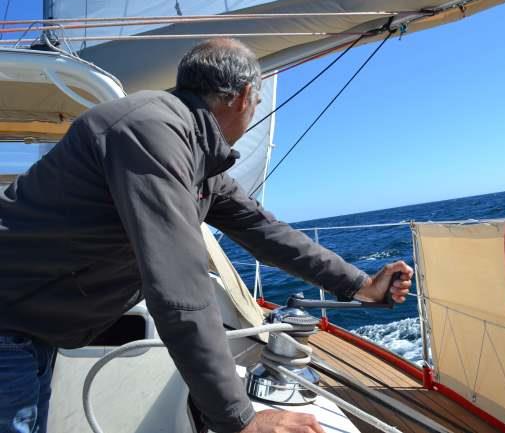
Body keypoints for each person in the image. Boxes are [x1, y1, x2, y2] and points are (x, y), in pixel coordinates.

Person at [0, 38, 413, 433]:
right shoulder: (151, 131)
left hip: (33, 326)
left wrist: (359, 284)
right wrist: (240, 419)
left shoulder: (194, 155)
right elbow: (180, 283)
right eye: (255, 103)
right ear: (243, 96)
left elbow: (266, 232)